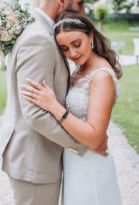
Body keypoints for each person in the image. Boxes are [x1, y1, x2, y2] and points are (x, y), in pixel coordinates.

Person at [0, 0, 108, 205]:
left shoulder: (42, 32)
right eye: (79, 3)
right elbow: (34, 113)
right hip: (34, 161)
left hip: (37, 159)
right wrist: (83, 145)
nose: (83, 9)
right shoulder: (39, 38)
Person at [21, 10, 123, 205]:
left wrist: (53, 106)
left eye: (77, 44)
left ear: (91, 36)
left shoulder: (101, 76)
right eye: (65, 49)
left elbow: (94, 138)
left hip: (91, 165)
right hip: (74, 161)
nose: (72, 53)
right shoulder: (79, 69)